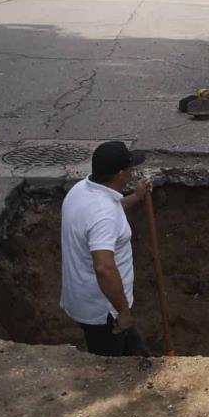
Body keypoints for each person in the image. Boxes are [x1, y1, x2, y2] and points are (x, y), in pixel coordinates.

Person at [60, 141, 151, 357]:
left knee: (135, 352)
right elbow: (104, 267)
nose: (131, 173)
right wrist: (123, 311)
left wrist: (136, 197)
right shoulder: (103, 214)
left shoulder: (81, 190)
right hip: (106, 313)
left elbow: (107, 212)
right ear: (120, 174)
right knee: (112, 365)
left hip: (86, 299)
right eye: (129, 169)